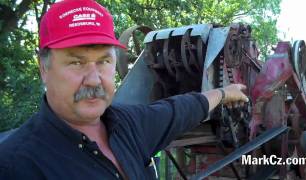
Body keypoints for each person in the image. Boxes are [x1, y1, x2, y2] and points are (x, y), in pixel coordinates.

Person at [0, 0, 248, 179]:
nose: (94, 80)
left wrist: (224, 93)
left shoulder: (129, 124)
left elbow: (183, 108)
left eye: (104, 61)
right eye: (76, 62)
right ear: (44, 67)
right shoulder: (15, 165)